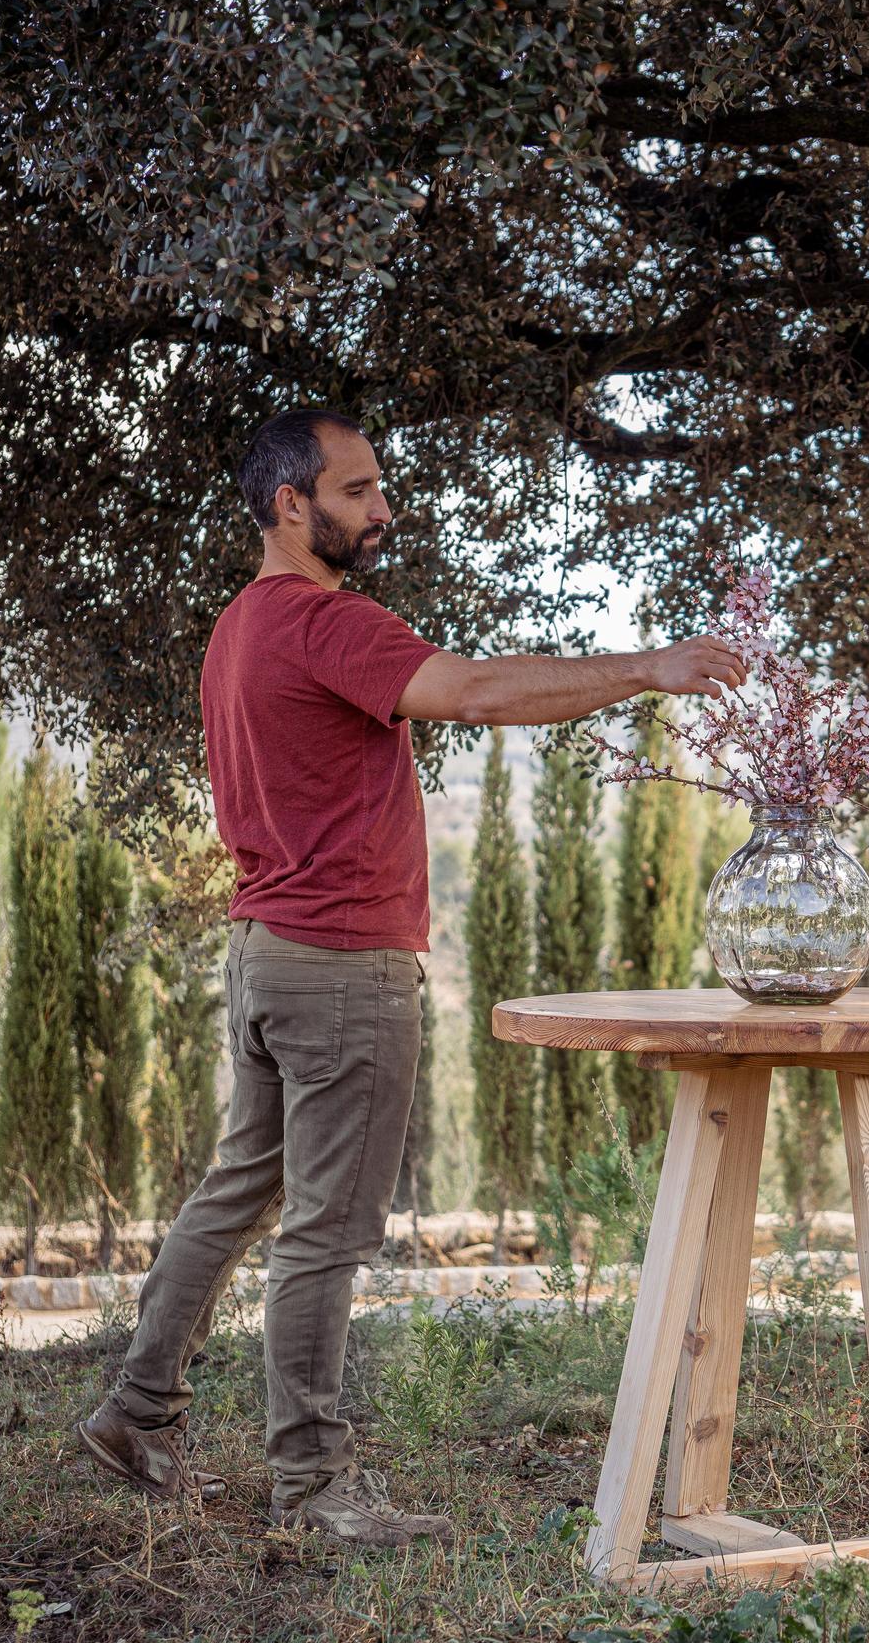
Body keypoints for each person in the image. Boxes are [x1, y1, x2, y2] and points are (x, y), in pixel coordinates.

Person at [76, 408, 744, 1546]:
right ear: (291, 504)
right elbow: (476, 692)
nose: (382, 509)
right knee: (327, 1230)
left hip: (267, 951)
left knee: (242, 1188)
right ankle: (315, 1487)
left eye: (381, 488)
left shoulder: (239, 626)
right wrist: (647, 667)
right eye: (357, 490)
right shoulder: (321, 623)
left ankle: (139, 1408)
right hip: (340, 964)